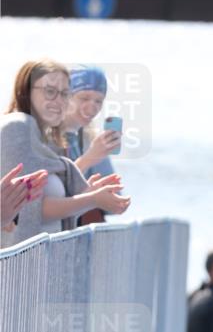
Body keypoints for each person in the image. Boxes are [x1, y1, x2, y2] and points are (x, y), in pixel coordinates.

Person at [1, 59, 130, 248]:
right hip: (24, 261)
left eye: (64, 94)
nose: (59, 101)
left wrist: (87, 194)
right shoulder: (19, 127)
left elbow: (49, 210)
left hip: (44, 257)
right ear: (27, 91)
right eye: (50, 91)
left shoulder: (66, 137)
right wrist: (91, 197)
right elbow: (30, 210)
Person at [63, 65, 120, 225]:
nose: (92, 107)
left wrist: (98, 155)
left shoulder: (88, 139)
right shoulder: (45, 136)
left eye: (98, 101)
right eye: (84, 98)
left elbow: (115, 204)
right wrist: (90, 157)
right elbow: (51, 193)